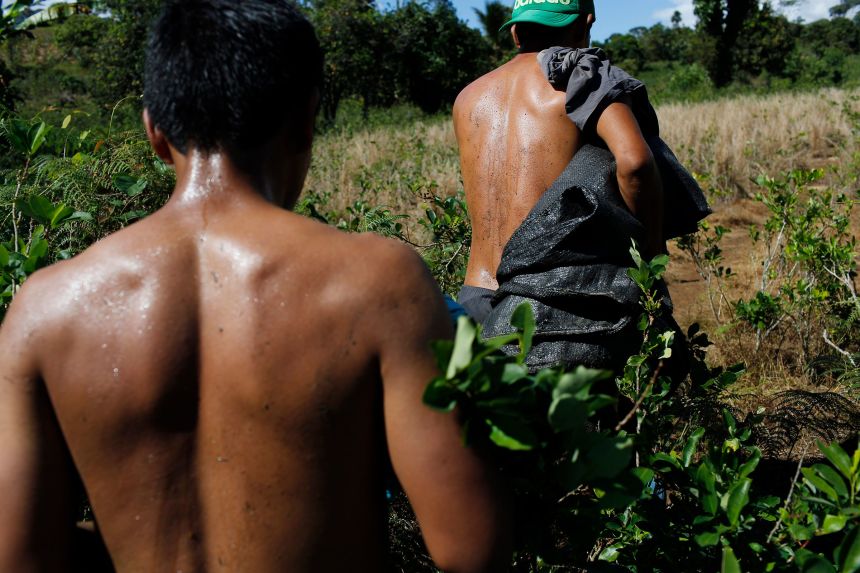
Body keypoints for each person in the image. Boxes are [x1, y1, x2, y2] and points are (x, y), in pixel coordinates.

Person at [0, 1, 510, 572]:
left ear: (154, 130)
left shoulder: (43, 310)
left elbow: (20, 556)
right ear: (307, 118)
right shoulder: (378, 285)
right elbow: (471, 549)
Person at [453, 0, 708, 373]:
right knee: (599, 425)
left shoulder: (468, 97)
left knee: (500, 426)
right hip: (548, 304)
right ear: (586, 24)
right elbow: (636, 164)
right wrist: (649, 269)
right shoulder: (581, 77)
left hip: (475, 297)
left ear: (515, 31)